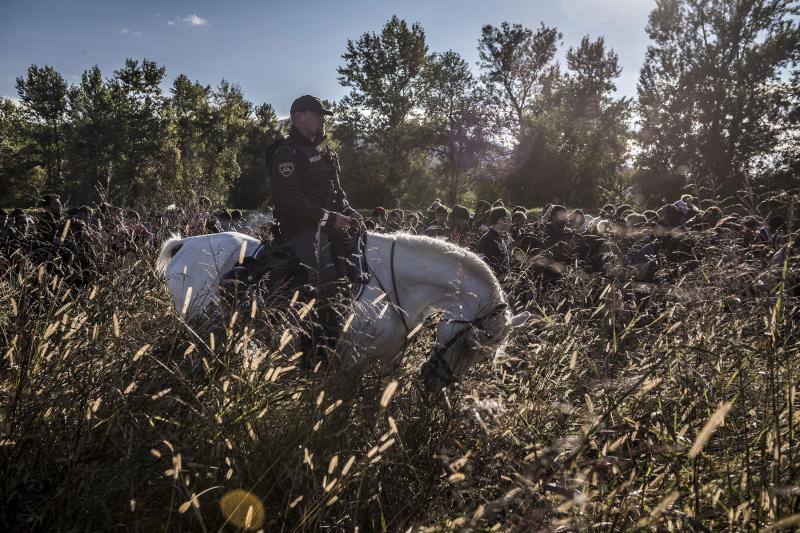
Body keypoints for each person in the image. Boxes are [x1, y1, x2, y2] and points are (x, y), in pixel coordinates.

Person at [266, 94, 361, 362]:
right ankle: (315, 354)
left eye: (323, 115)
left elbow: (337, 193)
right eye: (317, 114)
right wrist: (329, 219)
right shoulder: (286, 152)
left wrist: (349, 213)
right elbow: (290, 200)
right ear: (298, 117)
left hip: (329, 227)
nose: (322, 120)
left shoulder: (323, 151)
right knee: (324, 282)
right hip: (300, 231)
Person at [477, 206, 511, 277]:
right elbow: (486, 268)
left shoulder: (500, 238)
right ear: (500, 220)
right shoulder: (487, 240)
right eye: (508, 220)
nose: (510, 224)